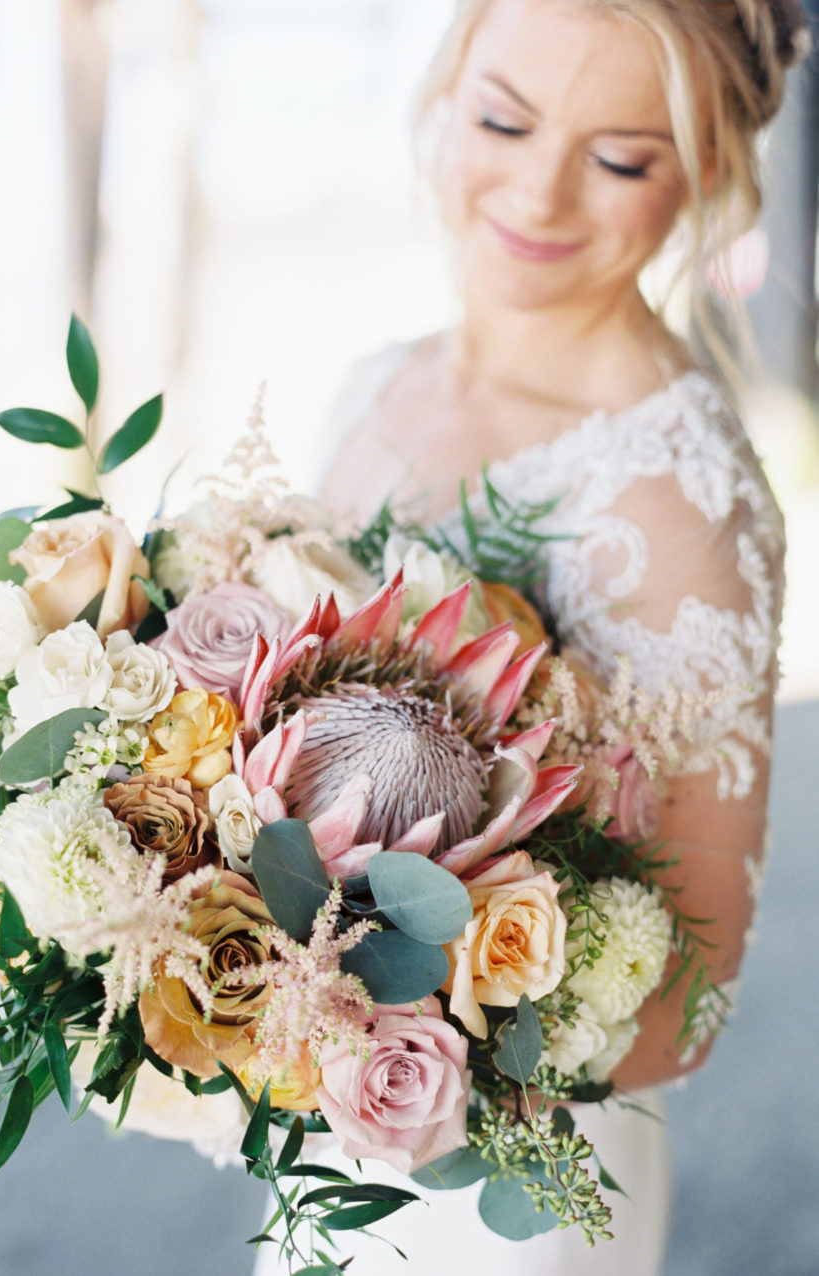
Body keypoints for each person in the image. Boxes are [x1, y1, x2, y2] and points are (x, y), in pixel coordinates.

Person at [254, 1, 806, 1273]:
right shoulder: (378, 380)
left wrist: (373, 1031)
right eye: (502, 118)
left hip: (509, 1181)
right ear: (447, 86)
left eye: (620, 157)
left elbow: (690, 997)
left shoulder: (675, 505)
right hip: (317, 1138)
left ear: (710, 172)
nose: (538, 191)